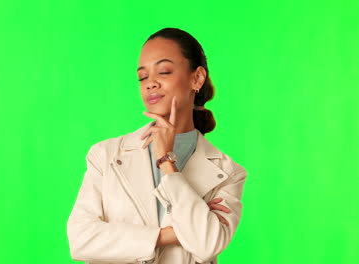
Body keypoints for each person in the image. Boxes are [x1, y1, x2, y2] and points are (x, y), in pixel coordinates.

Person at [67, 27, 247, 264]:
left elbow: (207, 245)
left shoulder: (228, 172)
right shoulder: (106, 155)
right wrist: (168, 235)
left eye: (164, 71)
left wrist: (167, 162)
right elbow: (81, 240)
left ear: (197, 78)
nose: (150, 83)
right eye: (142, 77)